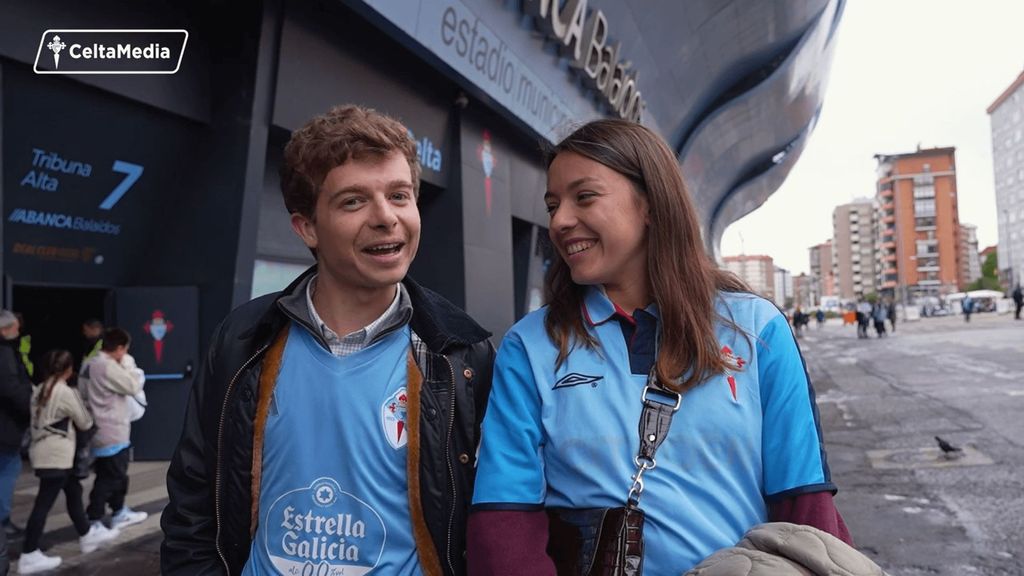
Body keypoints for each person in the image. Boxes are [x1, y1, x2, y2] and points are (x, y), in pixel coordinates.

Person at [467, 119, 849, 575]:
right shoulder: (529, 347)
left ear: (650, 204)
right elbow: (503, 523)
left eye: (583, 197)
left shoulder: (757, 329)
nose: (560, 220)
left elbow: (805, 510)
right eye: (553, 205)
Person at [161, 105, 495, 575]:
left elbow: (490, 519)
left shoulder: (461, 352)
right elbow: (193, 504)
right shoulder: (243, 340)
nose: (386, 218)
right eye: (353, 201)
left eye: (399, 196)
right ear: (307, 227)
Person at [17, 350, 119, 574]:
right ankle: (29, 554)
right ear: (68, 369)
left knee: (73, 491)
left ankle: (86, 535)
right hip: (58, 455)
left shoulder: (39, 390)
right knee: (43, 505)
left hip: (43, 453)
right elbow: (84, 421)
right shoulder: (64, 392)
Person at [78, 328, 148, 533]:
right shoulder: (106, 366)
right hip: (113, 430)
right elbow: (133, 385)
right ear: (119, 348)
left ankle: (119, 511)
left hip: (96, 428)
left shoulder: (87, 365)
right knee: (111, 477)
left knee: (111, 474)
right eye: (125, 350)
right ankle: (95, 519)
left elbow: (82, 393)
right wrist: (129, 365)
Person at [0, 310, 31, 540]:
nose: (18, 331)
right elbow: (11, 388)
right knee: (8, 470)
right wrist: (32, 409)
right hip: (6, 425)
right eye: (15, 328)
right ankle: (2, 520)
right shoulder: (4, 353)